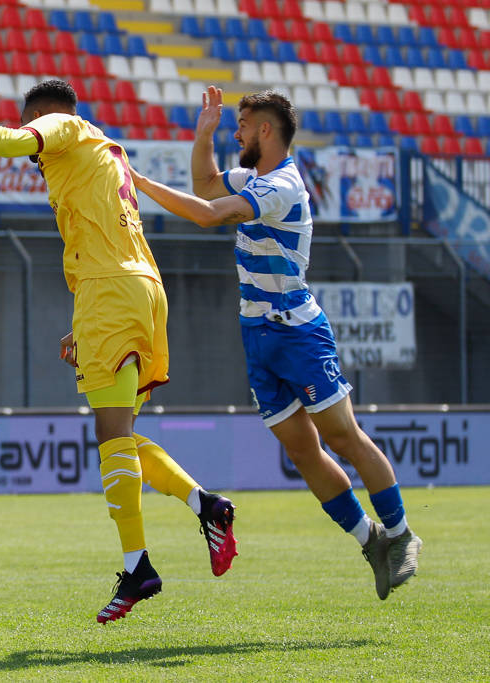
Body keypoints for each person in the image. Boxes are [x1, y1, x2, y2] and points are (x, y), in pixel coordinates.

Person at [0, 80, 237, 623]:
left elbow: (17, 143)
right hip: (141, 289)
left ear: (39, 114)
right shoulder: (108, 152)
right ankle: (207, 506)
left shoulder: (64, 127)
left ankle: (138, 567)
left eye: (28, 123)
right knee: (121, 434)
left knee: (110, 438)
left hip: (111, 294)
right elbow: (103, 237)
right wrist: (82, 317)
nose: (33, 152)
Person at [130, 86, 422, 600]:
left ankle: (401, 535)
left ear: (265, 130)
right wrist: (204, 135)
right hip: (259, 334)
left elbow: (206, 213)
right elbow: (204, 185)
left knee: (343, 438)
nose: (237, 133)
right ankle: (369, 540)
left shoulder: (281, 186)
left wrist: (137, 180)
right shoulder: (254, 179)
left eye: (242, 125)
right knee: (302, 450)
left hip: (296, 332)